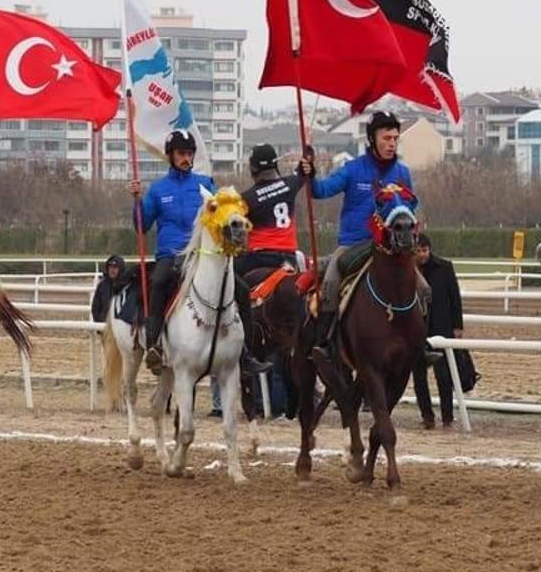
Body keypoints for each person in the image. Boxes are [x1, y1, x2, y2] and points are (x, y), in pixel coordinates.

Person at [128, 129, 271, 377]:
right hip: (170, 254)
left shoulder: (205, 185)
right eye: (181, 153)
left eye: (190, 153)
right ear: (171, 156)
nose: (187, 158)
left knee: (242, 290)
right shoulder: (159, 189)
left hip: (203, 255)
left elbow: (219, 217)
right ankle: (153, 346)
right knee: (159, 281)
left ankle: (245, 353)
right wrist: (137, 201)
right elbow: (142, 226)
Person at [305, 111, 418, 362]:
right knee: (332, 282)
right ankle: (325, 345)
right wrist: (310, 175)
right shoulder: (352, 170)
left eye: (395, 138)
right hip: (353, 245)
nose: (391, 143)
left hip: (391, 249)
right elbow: (320, 191)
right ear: (372, 139)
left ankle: (422, 345)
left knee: (424, 287)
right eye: (386, 138)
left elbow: (410, 210)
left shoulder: (403, 173)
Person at [411, 234, 463, 428]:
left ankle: (447, 417)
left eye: (424, 250)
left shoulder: (445, 267)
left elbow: (455, 298)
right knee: (419, 376)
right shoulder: (408, 270)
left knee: (444, 376)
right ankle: (427, 416)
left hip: (442, 327)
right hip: (416, 330)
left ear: (429, 249)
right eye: (418, 251)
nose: (422, 254)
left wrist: (458, 326)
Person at [236, 143, 309, 276]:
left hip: (259, 259)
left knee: (228, 274)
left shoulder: (246, 199)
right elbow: (303, 170)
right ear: (275, 165)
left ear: (253, 168)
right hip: (289, 257)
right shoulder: (291, 184)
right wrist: (308, 149)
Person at [90, 255, 126, 323]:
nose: (112, 270)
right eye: (110, 267)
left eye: (115, 267)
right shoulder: (102, 285)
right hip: (104, 324)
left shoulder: (126, 285)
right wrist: (99, 322)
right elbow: (95, 307)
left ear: (120, 269)